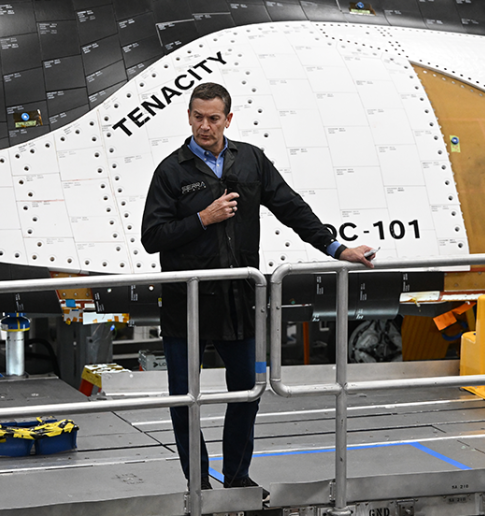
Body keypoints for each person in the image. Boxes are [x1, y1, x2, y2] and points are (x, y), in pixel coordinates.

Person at [141, 82, 374, 495]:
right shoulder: (171, 171)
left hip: (238, 301)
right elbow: (153, 236)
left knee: (247, 393)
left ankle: (236, 479)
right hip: (187, 306)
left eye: (214, 118)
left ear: (228, 119)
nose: (204, 126)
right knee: (184, 401)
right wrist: (203, 218)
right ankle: (198, 486)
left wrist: (336, 248)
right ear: (189, 117)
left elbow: (290, 206)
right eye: (197, 117)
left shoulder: (249, 160)